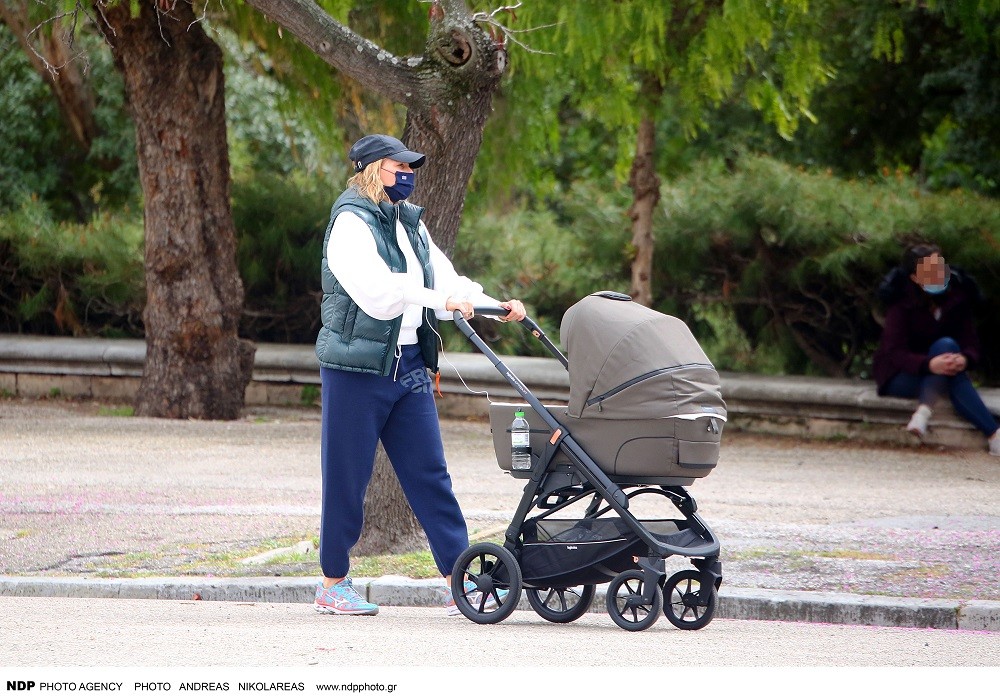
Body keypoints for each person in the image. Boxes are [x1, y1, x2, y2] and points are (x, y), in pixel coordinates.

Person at [313, 134, 525, 616]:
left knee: (430, 474)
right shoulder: (350, 222)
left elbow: (444, 279)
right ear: (370, 170)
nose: (406, 175)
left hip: (408, 364)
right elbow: (378, 292)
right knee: (347, 477)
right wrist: (441, 301)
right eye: (396, 167)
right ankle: (332, 582)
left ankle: (460, 580)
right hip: (357, 369)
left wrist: (495, 306)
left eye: (410, 168)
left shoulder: (409, 223)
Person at [872, 243, 999, 457]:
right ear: (915, 277)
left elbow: (971, 343)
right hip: (902, 374)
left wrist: (965, 360)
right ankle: (995, 435)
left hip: (943, 368)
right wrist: (928, 364)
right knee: (949, 372)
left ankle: (923, 412)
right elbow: (894, 353)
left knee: (947, 348)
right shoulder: (901, 305)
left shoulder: (957, 298)